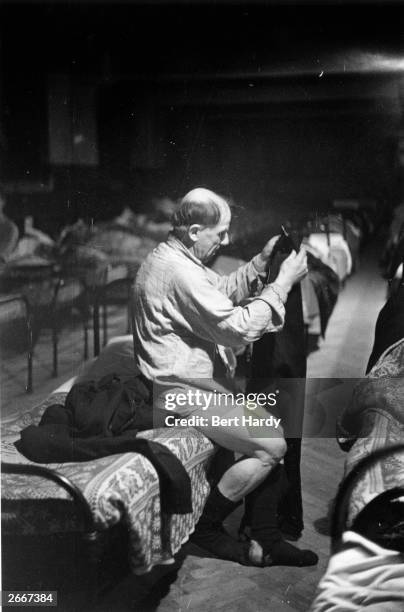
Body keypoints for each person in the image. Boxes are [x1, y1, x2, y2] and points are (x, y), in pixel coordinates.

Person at [132, 187, 318, 567]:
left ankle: (266, 537)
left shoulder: (176, 258)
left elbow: (216, 294)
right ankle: (208, 527)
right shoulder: (178, 271)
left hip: (197, 388)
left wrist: (259, 264)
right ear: (196, 230)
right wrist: (280, 283)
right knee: (273, 446)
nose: (226, 240)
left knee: (269, 429)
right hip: (181, 395)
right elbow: (237, 329)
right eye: (220, 233)